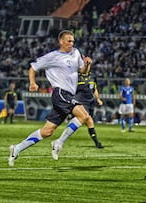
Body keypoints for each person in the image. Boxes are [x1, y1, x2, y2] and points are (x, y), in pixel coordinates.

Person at [8, 30, 93, 167]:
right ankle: (58, 143)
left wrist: (87, 64)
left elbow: (82, 71)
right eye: (69, 41)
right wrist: (32, 83)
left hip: (69, 95)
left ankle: (17, 148)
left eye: (73, 41)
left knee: (47, 131)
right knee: (84, 115)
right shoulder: (52, 56)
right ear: (61, 41)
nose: (72, 43)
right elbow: (33, 68)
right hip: (60, 93)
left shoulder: (76, 53)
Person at [73, 70, 104, 148]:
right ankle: (97, 143)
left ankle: (70, 124)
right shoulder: (76, 77)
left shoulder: (93, 76)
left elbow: (94, 89)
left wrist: (98, 99)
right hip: (81, 102)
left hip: (90, 102)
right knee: (89, 120)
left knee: (88, 121)